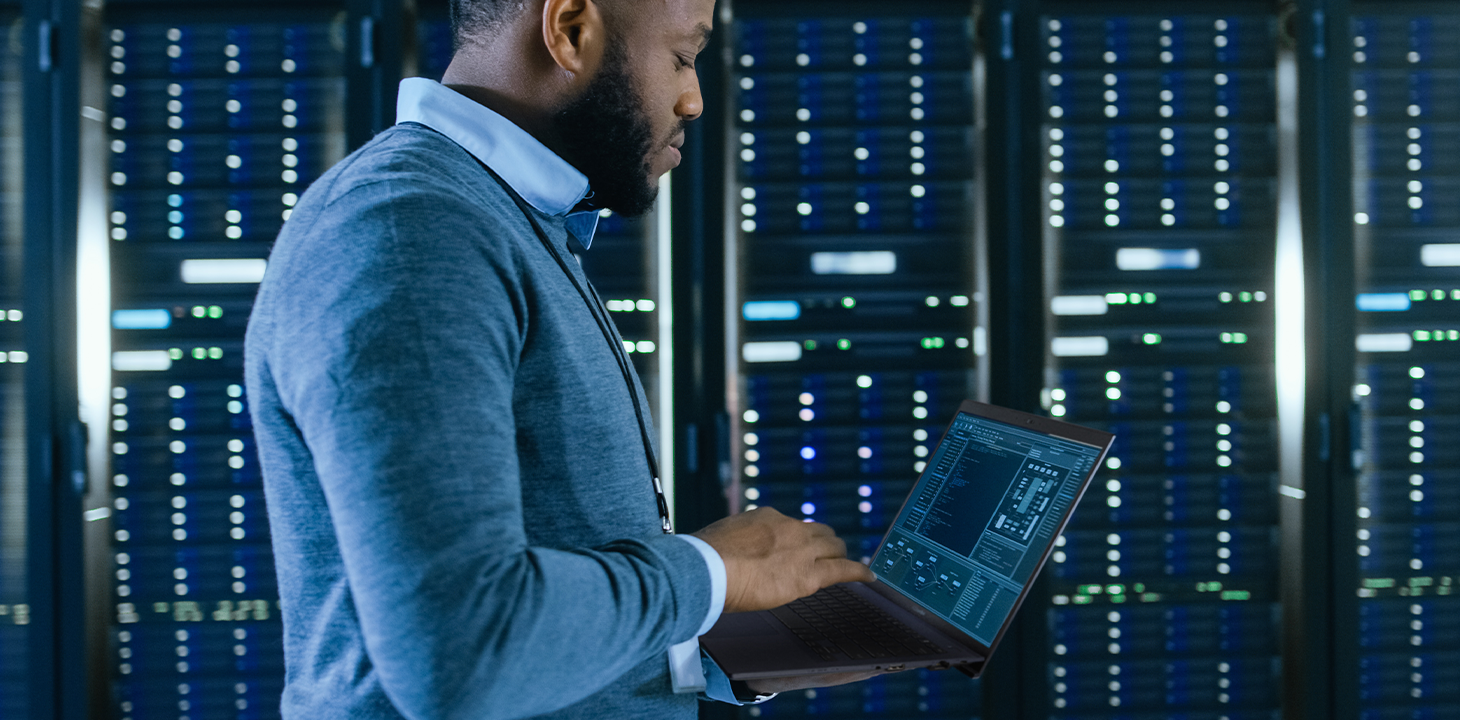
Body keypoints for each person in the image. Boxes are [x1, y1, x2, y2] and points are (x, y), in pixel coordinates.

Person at [243, 0, 880, 717]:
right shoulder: (412, 229)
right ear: (570, 30)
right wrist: (713, 572)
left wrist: (718, 646)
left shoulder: (504, 218)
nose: (694, 100)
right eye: (681, 56)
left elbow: (527, 599)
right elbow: (459, 650)